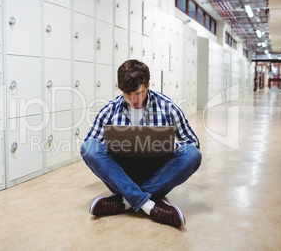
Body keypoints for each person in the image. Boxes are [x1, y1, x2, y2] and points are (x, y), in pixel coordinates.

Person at [80, 59, 201, 228]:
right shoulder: (110, 110)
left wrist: (174, 147)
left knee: (192, 155)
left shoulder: (168, 107)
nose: (133, 100)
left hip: (158, 175)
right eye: (127, 94)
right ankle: (149, 205)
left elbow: (193, 144)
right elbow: (90, 147)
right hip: (122, 175)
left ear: (148, 85)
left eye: (138, 93)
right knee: (88, 147)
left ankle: (126, 201)